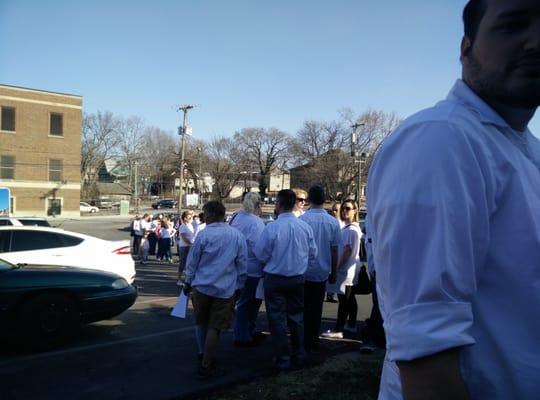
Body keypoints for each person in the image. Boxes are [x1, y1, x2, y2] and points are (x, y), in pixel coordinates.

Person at [367, 1, 540, 399]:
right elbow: (427, 357)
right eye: (513, 25)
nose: (534, 43)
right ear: (466, 47)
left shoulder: (520, 149)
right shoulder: (442, 140)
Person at [253, 189, 317, 370]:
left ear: (279, 204)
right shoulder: (304, 227)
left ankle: (282, 358)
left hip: (275, 277)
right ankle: (299, 353)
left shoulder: (272, 227)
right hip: (297, 278)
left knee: (277, 319)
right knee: (296, 318)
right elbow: (313, 254)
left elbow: (260, 253)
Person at [183, 201, 247, 378]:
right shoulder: (236, 235)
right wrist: (240, 284)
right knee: (215, 327)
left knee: (201, 322)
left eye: (204, 214)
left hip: (202, 286)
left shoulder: (203, 235)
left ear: (210, 215)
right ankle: (207, 362)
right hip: (225, 288)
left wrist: (188, 282)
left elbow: (192, 262)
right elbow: (242, 263)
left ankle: (202, 354)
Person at [299, 185, 341, 353]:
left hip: (303, 270)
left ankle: (301, 338)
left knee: (302, 307)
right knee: (316, 309)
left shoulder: (302, 220)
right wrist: (334, 271)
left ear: (309, 199)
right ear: (324, 199)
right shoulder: (332, 222)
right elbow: (334, 249)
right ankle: (312, 340)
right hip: (322, 271)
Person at [321, 200, 362, 339]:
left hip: (345, 271)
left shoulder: (351, 230)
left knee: (344, 300)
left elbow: (347, 251)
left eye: (348, 208)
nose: (344, 211)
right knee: (349, 299)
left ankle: (339, 329)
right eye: (343, 208)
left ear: (355, 211)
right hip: (348, 270)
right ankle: (351, 324)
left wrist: (336, 269)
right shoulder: (349, 228)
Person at [230, 192, 266, 346]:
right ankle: (242, 335)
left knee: (246, 302)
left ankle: (247, 331)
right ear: (258, 206)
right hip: (253, 268)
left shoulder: (236, 217)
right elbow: (259, 248)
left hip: (237, 266)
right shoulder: (256, 222)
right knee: (249, 303)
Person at [326, 201, 344, 303]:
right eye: (333, 210)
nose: (334, 212)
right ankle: (329, 294)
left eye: (336, 210)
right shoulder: (330, 223)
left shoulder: (343, 224)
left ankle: (333, 293)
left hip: (340, 252)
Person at [177, 210, 195, 282]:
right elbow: (184, 237)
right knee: (183, 263)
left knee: (189, 263)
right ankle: (179, 279)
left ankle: (187, 279)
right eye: (189, 218)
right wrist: (191, 244)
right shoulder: (182, 226)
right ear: (185, 218)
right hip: (184, 246)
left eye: (191, 217)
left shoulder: (190, 225)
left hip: (190, 246)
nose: (191, 219)